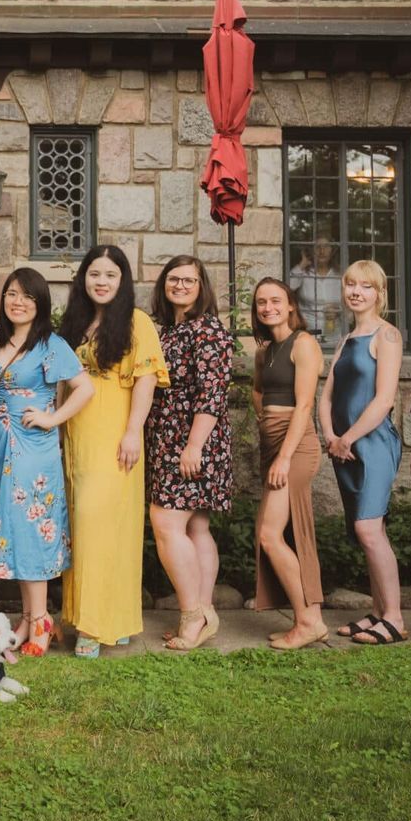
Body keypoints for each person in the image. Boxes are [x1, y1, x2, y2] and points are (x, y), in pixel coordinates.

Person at [57, 245, 168, 658]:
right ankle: (107, 618)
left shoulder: (137, 323)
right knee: (83, 527)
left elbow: (146, 380)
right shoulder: (76, 323)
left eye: (110, 275)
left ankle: (95, 624)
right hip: (75, 434)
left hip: (114, 434)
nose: (101, 282)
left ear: (122, 282)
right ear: (83, 279)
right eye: (94, 274)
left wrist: (133, 431)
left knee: (101, 526)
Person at [0, 267, 94, 657]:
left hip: (34, 449)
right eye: (12, 293)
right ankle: (30, 617)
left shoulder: (50, 344)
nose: (18, 301)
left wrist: (52, 418)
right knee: (14, 530)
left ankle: (42, 619)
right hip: (1, 444)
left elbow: (85, 388)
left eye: (27, 296)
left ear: (40, 303)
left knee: (32, 529)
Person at [146, 255, 235, 652]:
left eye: (189, 280)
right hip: (167, 437)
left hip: (193, 437)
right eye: (173, 278)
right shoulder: (165, 329)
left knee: (165, 522)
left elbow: (212, 391)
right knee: (196, 527)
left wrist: (194, 445)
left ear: (202, 287)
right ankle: (204, 611)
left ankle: (192, 614)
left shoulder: (208, 329)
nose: (180, 285)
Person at [318, 259, 407, 645]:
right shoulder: (346, 338)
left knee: (368, 529)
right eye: (351, 284)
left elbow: (384, 399)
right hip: (344, 446)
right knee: (371, 532)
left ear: (379, 293)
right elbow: (327, 395)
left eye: (365, 286)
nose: (356, 291)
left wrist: (348, 438)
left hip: (372, 445)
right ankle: (377, 612)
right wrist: (329, 435)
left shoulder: (387, 336)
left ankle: (396, 619)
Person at [250, 278, 327, 651]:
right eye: (262, 302)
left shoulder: (304, 344)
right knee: (272, 534)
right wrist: (266, 422)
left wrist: (283, 454)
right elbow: (257, 391)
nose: (268, 307)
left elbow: (305, 406)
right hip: (274, 444)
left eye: (275, 300)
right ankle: (308, 618)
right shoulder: (264, 351)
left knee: (270, 534)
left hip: (296, 448)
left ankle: (309, 621)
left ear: (291, 305)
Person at [289, 238, 343, 342]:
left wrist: (338, 310)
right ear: (311, 250)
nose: (322, 251)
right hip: (308, 333)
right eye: (317, 247)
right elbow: (285, 289)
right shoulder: (304, 273)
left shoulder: (339, 274)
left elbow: (349, 302)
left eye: (326, 246)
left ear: (332, 251)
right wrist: (302, 264)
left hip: (334, 335)